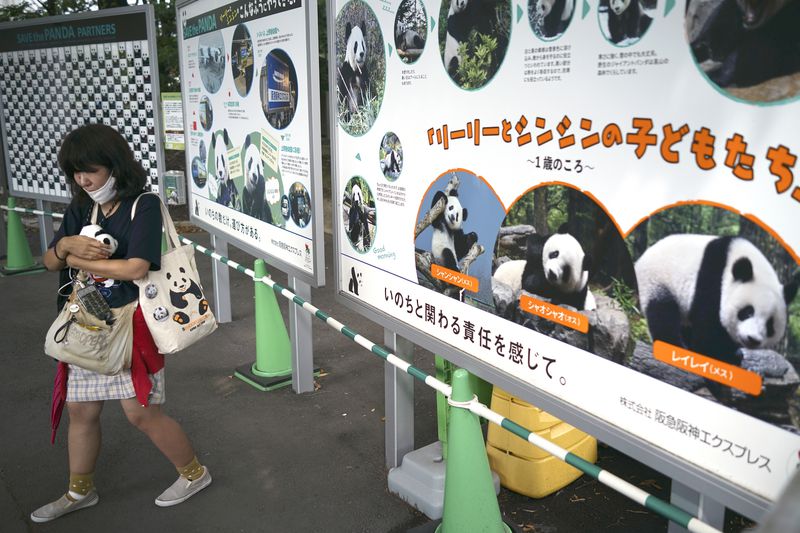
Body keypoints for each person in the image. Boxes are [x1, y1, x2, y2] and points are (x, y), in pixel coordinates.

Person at [32, 124, 211, 523]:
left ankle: (194, 474)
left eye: (90, 170)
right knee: (81, 410)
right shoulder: (83, 206)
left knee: (142, 414)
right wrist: (63, 245)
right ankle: (79, 490)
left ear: (114, 165)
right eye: (76, 172)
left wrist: (75, 258)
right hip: (89, 323)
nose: (83, 179)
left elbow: (135, 267)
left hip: (134, 326)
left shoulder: (142, 204)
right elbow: (48, 260)